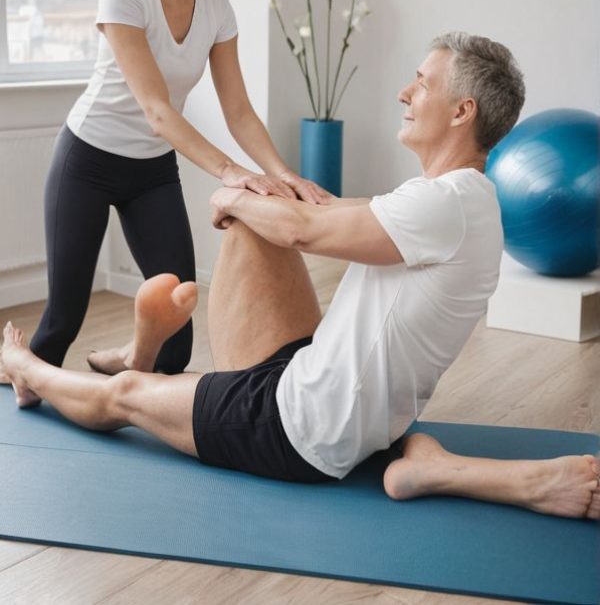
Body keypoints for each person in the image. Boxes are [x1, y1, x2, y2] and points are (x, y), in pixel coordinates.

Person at [2, 32, 599, 520]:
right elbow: (329, 212)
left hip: (298, 430)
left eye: (423, 82)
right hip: (331, 394)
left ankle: (30, 371)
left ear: (462, 112)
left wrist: (231, 197)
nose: (404, 91)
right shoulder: (454, 199)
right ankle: (161, 365)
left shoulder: (444, 205)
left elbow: (303, 233)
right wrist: (257, 191)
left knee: (126, 398)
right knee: (260, 221)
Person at [0, 0, 325, 382]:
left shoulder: (217, 7)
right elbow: (156, 109)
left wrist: (283, 174)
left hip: (150, 172)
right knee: (61, 323)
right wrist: (230, 172)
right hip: (86, 161)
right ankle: (21, 376)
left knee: (174, 343)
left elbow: (238, 109)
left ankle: (128, 358)